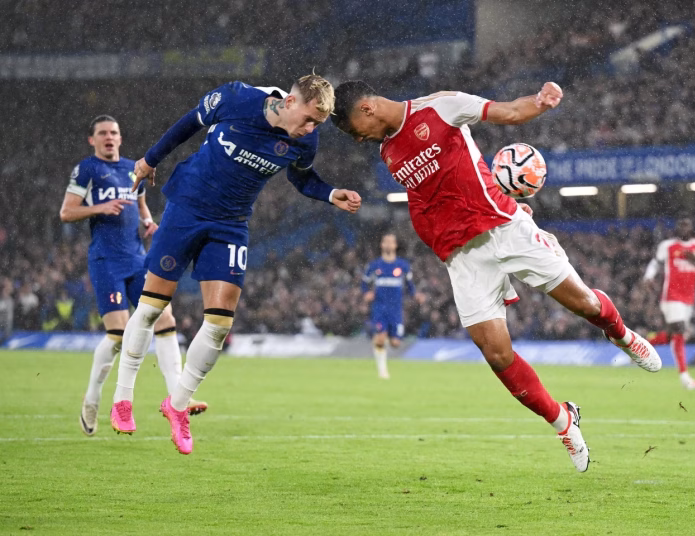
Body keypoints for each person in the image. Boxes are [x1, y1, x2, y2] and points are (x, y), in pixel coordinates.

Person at [331, 81, 662, 472]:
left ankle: (621, 335)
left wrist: (540, 102)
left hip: (505, 229)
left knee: (586, 305)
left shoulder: (440, 107)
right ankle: (563, 421)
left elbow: (510, 112)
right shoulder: (386, 150)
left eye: (353, 131)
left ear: (367, 108)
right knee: (497, 354)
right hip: (462, 258)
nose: (358, 140)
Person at [111, 75, 362, 455]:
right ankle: (122, 398)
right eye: (309, 119)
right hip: (187, 208)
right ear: (290, 102)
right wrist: (149, 160)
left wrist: (330, 193)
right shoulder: (237, 98)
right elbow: (190, 122)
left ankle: (177, 405)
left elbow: (301, 177)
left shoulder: (305, 140)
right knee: (150, 308)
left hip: (231, 224)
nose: (311, 129)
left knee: (219, 325)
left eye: (318, 124)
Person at [59, 115, 207, 437]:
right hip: (106, 261)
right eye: (102, 133)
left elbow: (140, 206)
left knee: (165, 319)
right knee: (117, 335)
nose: (109, 137)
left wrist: (148, 222)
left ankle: (178, 396)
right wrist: (99, 208)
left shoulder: (132, 167)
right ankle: (92, 398)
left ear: (120, 137)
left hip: (137, 259)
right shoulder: (87, 169)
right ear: (92, 140)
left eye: (113, 132)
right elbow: (66, 212)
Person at [644, 215, 695, 389]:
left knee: (672, 335)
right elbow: (655, 263)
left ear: (692, 227)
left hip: (689, 298)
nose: (684, 228)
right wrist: (648, 277)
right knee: (680, 330)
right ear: (676, 227)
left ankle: (642, 345)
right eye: (681, 225)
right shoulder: (668, 246)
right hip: (671, 296)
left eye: (687, 225)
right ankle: (685, 378)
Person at [361, 233, 424, 379]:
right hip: (379, 308)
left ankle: (385, 338)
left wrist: (415, 295)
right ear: (381, 245)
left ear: (395, 245)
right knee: (380, 338)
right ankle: (382, 371)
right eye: (386, 242)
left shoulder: (403, 266)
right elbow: (364, 283)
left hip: (396, 309)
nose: (389, 244)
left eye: (391, 242)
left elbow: (410, 285)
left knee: (396, 343)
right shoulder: (374, 266)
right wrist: (366, 293)